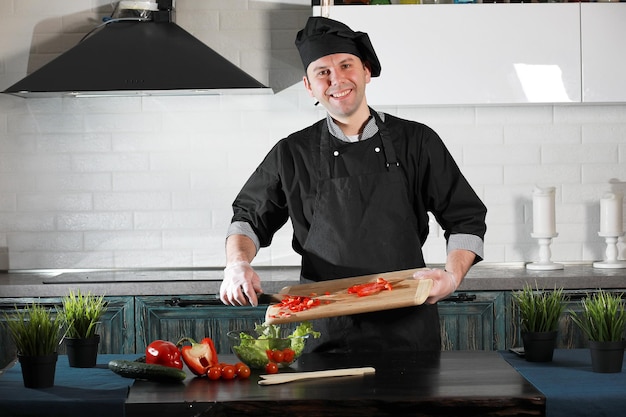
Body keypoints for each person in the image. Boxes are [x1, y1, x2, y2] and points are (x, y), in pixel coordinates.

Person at [220, 16, 487, 353]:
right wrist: (237, 264)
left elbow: (465, 217)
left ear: (366, 71)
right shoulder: (292, 152)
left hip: (408, 326)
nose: (336, 79)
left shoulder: (418, 141)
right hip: (322, 328)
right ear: (309, 86)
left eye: (346, 65)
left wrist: (451, 276)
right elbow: (247, 218)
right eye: (323, 72)